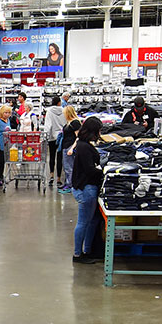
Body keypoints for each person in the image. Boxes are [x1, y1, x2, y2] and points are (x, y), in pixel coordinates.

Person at [70, 116, 104, 264]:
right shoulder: (84, 147)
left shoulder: (83, 144)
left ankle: (87, 250)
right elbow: (89, 170)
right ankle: (78, 254)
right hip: (86, 188)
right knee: (84, 222)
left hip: (86, 187)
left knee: (92, 220)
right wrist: (103, 170)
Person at [43, 98, 66, 185]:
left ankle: (51, 176)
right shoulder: (64, 111)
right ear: (59, 102)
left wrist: (46, 136)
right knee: (60, 158)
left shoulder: (49, 111)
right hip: (61, 137)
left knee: (52, 157)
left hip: (52, 137)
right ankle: (59, 179)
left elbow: (48, 125)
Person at [59, 104, 80, 191]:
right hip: (66, 146)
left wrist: (72, 148)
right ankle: (68, 183)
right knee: (66, 166)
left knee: (69, 167)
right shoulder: (69, 122)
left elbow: (78, 137)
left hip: (69, 147)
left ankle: (70, 185)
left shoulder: (75, 123)